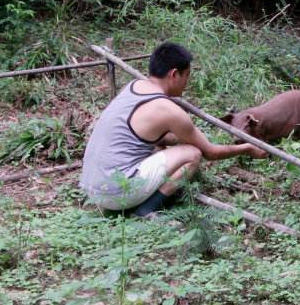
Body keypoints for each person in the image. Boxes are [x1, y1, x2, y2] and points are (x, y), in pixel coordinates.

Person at [79, 41, 267, 216]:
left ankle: (131, 200)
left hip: (93, 187)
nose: (187, 82)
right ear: (174, 74)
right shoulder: (168, 110)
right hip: (115, 193)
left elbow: (153, 136)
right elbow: (210, 153)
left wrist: (181, 137)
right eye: (187, 76)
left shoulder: (133, 86)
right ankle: (146, 210)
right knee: (192, 154)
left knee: (160, 146)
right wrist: (247, 148)